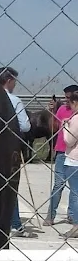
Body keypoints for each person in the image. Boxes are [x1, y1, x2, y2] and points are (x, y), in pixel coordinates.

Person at [0, 67, 31, 237]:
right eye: (14, 81)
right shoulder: (14, 100)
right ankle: (15, 223)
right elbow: (25, 126)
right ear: (9, 81)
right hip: (9, 148)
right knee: (10, 185)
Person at [45, 85, 78, 226]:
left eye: (68, 97)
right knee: (58, 184)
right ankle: (50, 215)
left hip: (73, 152)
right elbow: (53, 127)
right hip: (61, 150)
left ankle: (72, 215)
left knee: (74, 188)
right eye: (65, 97)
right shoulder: (62, 109)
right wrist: (52, 112)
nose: (66, 100)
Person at [60, 92, 78, 239]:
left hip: (74, 160)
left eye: (71, 104)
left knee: (75, 193)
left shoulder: (76, 119)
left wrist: (65, 126)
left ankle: (76, 226)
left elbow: (69, 141)